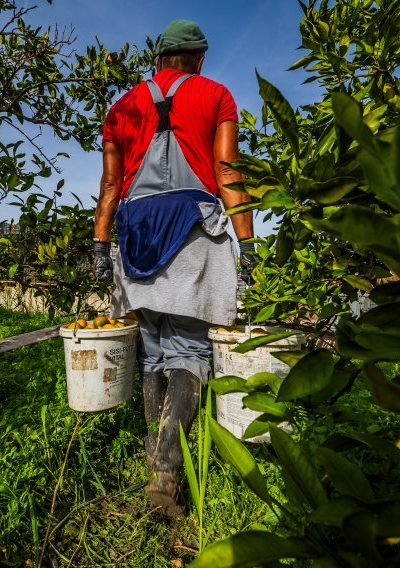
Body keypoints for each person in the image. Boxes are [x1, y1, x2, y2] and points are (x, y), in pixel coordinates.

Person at [92, 19, 256, 515]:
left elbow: (110, 186)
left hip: (137, 234)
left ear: (158, 60)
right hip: (190, 230)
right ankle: (164, 484)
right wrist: (248, 245)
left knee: (154, 348)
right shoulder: (216, 95)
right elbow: (227, 172)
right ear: (199, 59)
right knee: (188, 348)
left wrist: (101, 247)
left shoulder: (122, 107)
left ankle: (153, 464)